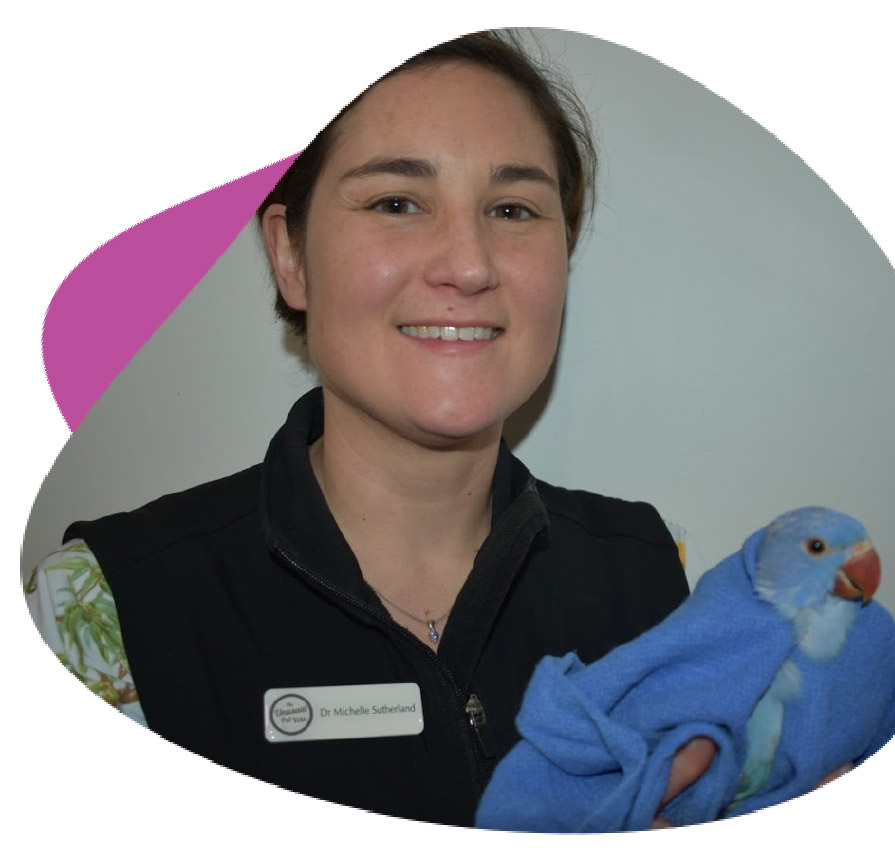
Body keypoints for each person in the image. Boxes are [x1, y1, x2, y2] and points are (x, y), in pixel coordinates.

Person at [24, 30, 836, 828]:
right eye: (397, 202)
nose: (470, 263)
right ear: (291, 256)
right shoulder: (102, 611)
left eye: (513, 208)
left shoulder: (660, 578)